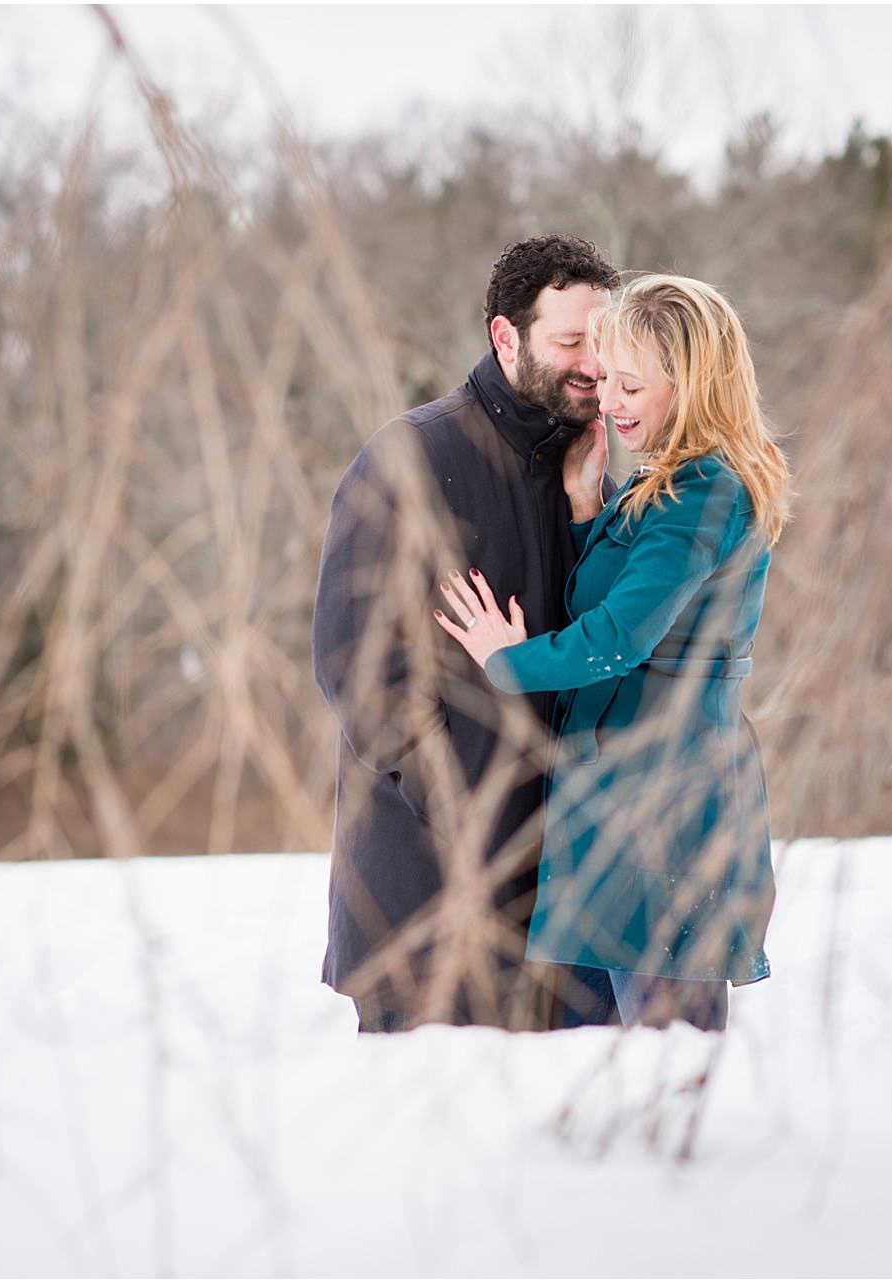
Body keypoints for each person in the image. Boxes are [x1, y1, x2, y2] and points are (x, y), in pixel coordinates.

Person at [432, 274, 792, 1031]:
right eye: (607, 382)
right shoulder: (659, 488)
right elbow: (611, 595)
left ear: (692, 388)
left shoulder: (706, 492)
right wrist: (584, 508)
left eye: (631, 384)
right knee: (609, 1063)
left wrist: (509, 661)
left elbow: (621, 637)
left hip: (665, 810)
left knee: (668, 1060)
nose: (610, 402)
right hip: (617, 804)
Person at [313, 235, 626, 1033]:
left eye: (606, 339)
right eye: (569, 342)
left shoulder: (591, 477)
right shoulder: (410, 458)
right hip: (425, 914)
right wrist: (460, 806)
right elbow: (359, 667)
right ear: (505, 337)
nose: (594, 363)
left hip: (562, 922)